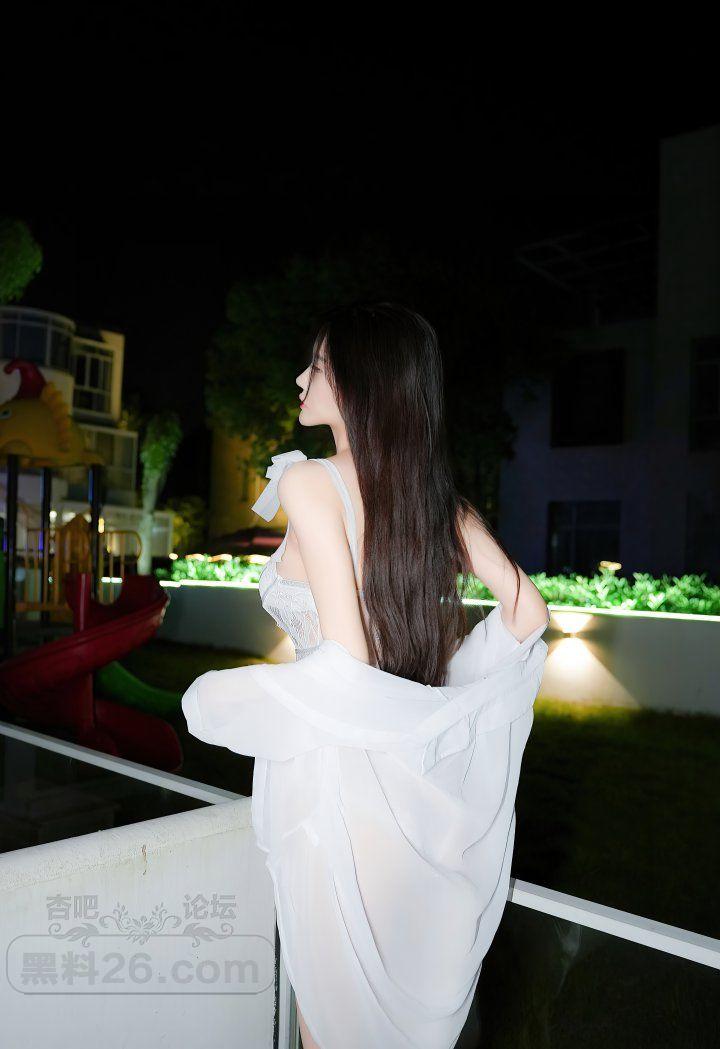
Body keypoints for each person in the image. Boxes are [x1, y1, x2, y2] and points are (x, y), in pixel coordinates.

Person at [182, 301, 550, 1049]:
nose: (301, 378)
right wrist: (438, 703)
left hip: (333, 780)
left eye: (317, 365)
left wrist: (233, 697)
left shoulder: (312, 482)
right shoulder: (431, 498)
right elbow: (527, 612)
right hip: (408, 777)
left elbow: (345, 663)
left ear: (358, 381)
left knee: (330, 1015)